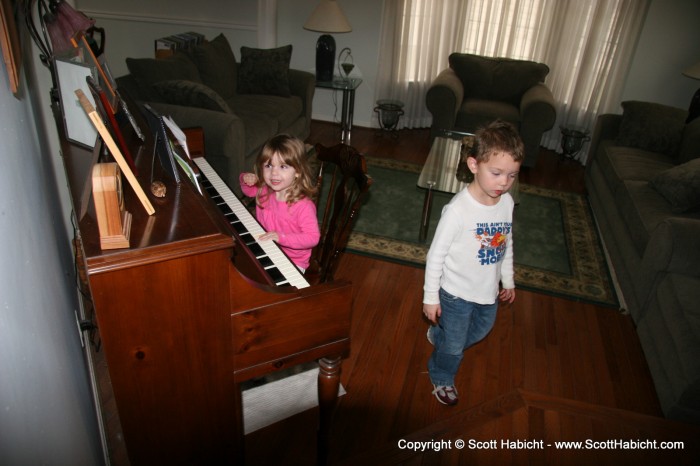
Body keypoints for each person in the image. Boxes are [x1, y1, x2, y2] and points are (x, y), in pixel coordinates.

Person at [423, 120, 524, 406]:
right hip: (455, 293)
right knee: (455, 347)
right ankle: (441, 375)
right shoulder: (457, 211)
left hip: (487, 291)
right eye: (497, 173)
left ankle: (439, 336)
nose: (504, 182)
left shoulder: (505, 203)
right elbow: (435, 256)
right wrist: (431, 298)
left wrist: (509, 280)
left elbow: (506, 243)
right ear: (473, 165)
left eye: (512, 175)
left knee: (480, 330)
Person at [239, 134, 320, 272]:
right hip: (267, 247)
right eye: (269, 165)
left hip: (293, 261)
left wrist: (280, 237)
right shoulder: (265, 190)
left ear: (298, 172)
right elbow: (248, 190)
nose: (274, 173)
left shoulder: (303, 206)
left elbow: (312, 238)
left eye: (283, 166)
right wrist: (245, 178)